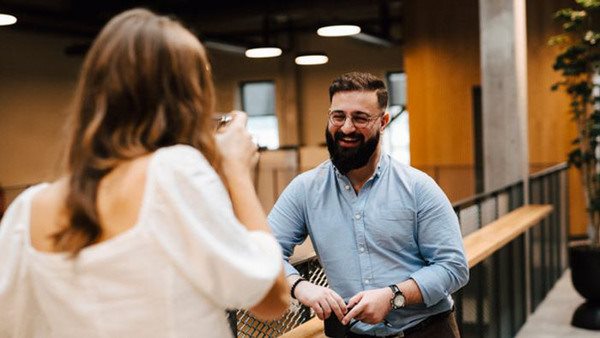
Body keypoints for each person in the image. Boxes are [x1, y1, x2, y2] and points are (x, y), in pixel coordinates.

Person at [0, 8, 289, 338]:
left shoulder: (26, 211)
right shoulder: (173, 172)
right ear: (188, 98)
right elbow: (271, 299)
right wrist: (235, 169)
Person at [269, 72, 469, 337]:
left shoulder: (419, 187)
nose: (347, 127)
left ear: (383, 121)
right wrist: (299, 286)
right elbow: (262, 251)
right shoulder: (305, 190)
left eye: (360, 118)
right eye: (338, 116)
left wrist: (393, 295)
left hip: (426, 330)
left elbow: (453, 267)